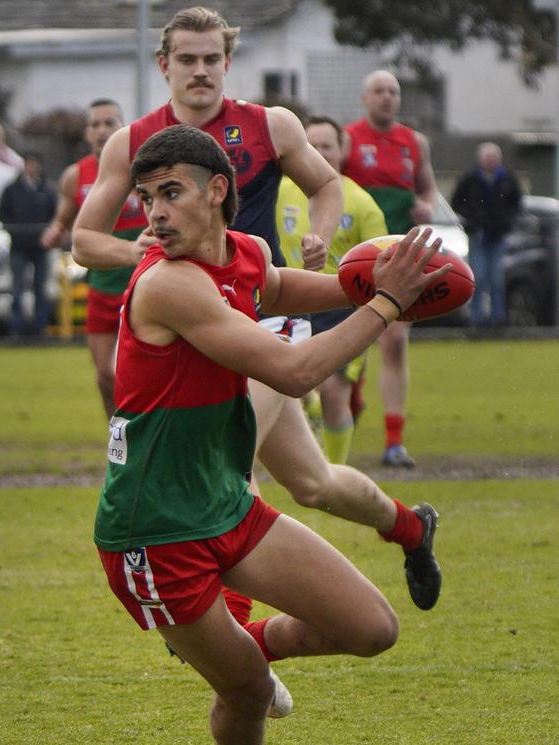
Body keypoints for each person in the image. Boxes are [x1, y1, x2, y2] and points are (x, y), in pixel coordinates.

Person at [94, 124, 450, 745]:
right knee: (248, 691)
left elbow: (280, 286)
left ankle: (240, 646)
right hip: (156, 529)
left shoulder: (247, 253)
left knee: (372, 627)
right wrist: (386, 304)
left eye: (171, 193)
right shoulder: (168, 286)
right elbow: (292, 370)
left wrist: (369, 278)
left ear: (218, 190)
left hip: (226, 504)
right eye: (145, 199)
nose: (154, 214)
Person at [73, 10, 444, 657]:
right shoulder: (133, 142)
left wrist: (326, 241)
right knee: (314, 484)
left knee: (231, 465)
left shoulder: (269, 123)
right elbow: (84, 238)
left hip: (262, 309)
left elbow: (327, 185)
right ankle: (410, 527)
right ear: (163, 64)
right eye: (186, 59)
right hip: (189, 317)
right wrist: (154, 260)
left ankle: (240, 641)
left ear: (226, 61)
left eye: (210, 58)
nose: (199, 70)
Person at [276, 115, 388, 464]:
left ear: (343, 149)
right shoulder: (280, 191)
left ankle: (335, 471)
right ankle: (301, 464)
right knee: (282, 385)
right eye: (313, 145)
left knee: (334, 392)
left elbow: (381, 258)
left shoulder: (361, 202)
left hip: (343, 307)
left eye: (328, 145)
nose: (321, 152)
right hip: (289, 300)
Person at [342, 70, 439, 468]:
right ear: (365, 98)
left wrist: (427, 205)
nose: (387, 97)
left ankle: (394, 441)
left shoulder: (414, 143)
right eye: (379, 91)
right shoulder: (348, 139)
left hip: (401, 256)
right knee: (351, 344)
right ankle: (350, 397)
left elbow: (427, 188)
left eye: (393, 91)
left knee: (395, 343)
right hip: (356, 257)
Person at [41, 99, 150, 417]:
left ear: (123, 128)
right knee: (105, 374)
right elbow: (63, 220)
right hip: (102, 284)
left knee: (137, 373)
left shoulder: (143, 167)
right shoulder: (76, 175)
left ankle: (142, 435)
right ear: (87, 133)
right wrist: (54, 231)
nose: (102, 130)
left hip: (142, 284)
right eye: (95, 124)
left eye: (109, 123)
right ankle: (115, 436)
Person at [451, 142, 521, 328]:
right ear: (480, 159)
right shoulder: (470, 179)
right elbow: (457, 202)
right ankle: (477, 319)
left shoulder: (507, 179)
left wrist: (507, 222)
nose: (490, 161)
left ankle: (498, 318)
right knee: (478, 277)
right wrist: (471, 220)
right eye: (487, 157)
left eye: (493, 157)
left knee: (497, 278)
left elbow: (516, 204)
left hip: (498, 234)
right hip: (478, 233)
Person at [0, 152, 58, 337]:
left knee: (41, 288)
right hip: (18, 246)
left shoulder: (47, 190)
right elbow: (3, 213)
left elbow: (55, 214)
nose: (31, 168)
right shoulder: (12, 189)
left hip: (41, 247)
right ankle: (16, 327)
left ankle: (40, 327)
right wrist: (13, 231)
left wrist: (47, 235)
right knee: (17, 287)